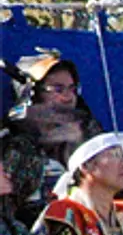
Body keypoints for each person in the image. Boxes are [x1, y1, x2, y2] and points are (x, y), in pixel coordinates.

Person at [5, 49, 104, 225]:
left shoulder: (92, 138)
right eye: (58, 89)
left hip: (99, 234)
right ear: (32, 94)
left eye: (72, 89)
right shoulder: (15, 149)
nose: (68, 97)